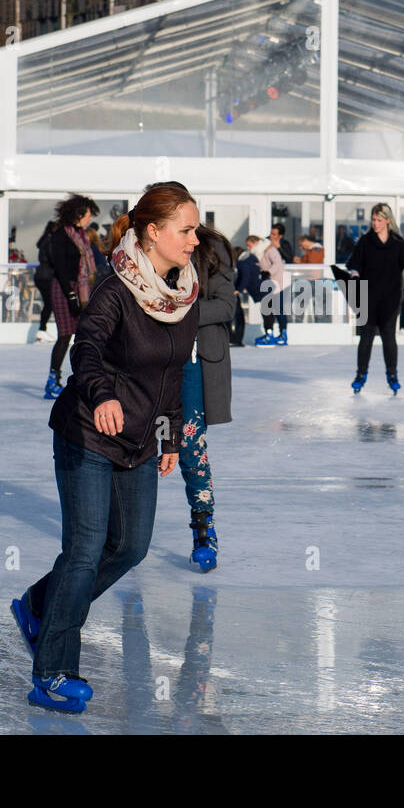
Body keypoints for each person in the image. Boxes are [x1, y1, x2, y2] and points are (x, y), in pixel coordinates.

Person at [9, 182, 200, 713]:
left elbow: (174, 372)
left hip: (140, 438)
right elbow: (86, 349)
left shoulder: (182, 292)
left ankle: (39, 605)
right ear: (153, 232)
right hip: (89, 432)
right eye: (185, 230)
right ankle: (52, 671)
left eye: (195, 229)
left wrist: (170, 435)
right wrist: (102, 396)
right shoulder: (118, 288)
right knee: (86, 548)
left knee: (131, 547)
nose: (193, 240)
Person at [178, 222, 234, 572]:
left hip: (193, 364)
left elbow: (226, 306)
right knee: (136, 448)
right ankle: (125, 534)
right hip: (147, 365)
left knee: (190, 446)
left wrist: (179, 311)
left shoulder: (210, 247)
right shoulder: (138, 248)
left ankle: (203, 529)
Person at [347, 203, 404, 393]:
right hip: (369, 297)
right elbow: (355, 264)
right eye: (373, 220)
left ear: (387, 220)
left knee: (388, 337)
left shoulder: (397, 243)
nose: (375, 223)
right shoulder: (365, 242)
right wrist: (355, 274)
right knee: (366, 337)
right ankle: (361, 375)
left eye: (379, 220)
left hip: (391, 298)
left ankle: (392, 375)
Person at [40, 195, 100, 399]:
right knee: (65, 335)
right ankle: (52, 380)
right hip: (64, 289)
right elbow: (60, 267)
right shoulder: (61, 236)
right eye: (89, 214)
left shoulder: (81, 235)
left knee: (82, 335)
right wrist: (72, 295)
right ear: (78, 214)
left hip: (81, 288)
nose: (90, 218)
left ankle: (82, 377)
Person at [255, 226, 290, 347]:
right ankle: (269, 333)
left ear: (280, 236)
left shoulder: (284, 244)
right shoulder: (266, 243)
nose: (271, 236)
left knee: (279, 309)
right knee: (267, 308)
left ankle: (283, 334)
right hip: (268, 282)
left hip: (279, 282)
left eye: (275, 234)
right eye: (271, 233)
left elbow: (287, 258)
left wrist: (278, 247)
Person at [232, 236, 263, 347]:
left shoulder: (243, 262)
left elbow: (245, 277)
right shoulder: (250, 257)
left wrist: (238, 290)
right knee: (268, 311)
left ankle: (269, 333)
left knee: (268, 312)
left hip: (259, 288)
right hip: (263, 287)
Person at [34, 221, 57, 342]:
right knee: (50, 303)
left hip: (41, 275)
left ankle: (42, 329)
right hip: (46, 276)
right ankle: (42, 329)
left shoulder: (44, 240)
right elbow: (53, 258)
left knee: (49, 303)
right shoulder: (50, 241)